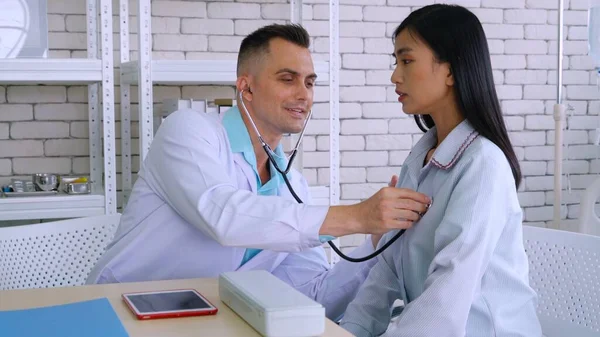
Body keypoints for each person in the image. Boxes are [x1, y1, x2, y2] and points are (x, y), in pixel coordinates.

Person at [86, 24, 431, 320]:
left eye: (310, 83)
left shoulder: (290, 186)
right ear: (246, 88)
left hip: (200, 322)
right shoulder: (188, 131)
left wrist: (374, 246)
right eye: (287, 79)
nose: (303, 95)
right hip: (118, 312)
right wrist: (357, 216)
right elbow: (224, 215)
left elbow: (312, 295)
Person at [339, 4, 542, 337]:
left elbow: (445, 299)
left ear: (450, 70)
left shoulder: (483, 164)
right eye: (396, 62)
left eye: (406, 61)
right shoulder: (420, 159)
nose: (394, 75)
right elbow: (387, 270)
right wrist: (350, 331)